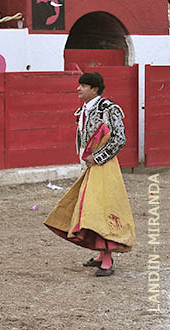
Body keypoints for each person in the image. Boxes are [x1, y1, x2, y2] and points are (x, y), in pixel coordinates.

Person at [44, 72, 137, 277]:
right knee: (89, 209)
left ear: (94, 89)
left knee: (100, 210)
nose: (78, 88)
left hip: (104, 167)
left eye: (83, 85)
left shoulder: (108, 108)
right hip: (91, 166)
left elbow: (120, 139)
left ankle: (107, 259)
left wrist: (98, 157)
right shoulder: (84, 109)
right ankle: (99, 253)